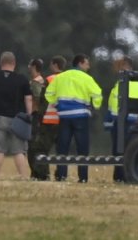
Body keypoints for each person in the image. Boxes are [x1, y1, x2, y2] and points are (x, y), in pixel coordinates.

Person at [46, 53, 102, 183]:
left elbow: (48, 93)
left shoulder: (61, 77)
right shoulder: (87, 78)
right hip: (81, 115)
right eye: (87, 63)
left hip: (64, 116)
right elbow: (97, 94)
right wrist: (95, 107)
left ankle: (61, 176)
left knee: (62, 147)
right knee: (82, 148)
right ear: (80, 63)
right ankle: (82, 178)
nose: (89, 66)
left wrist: (56, 103)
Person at [0, 51, 32, 179]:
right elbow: (28, 99)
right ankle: (23, 177)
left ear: (1, 63)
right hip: (18, 120)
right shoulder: (22, 79)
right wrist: (29, 115)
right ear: (14, 63)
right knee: (19, 151)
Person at [105, 56, 138, 182]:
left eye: (120, 66)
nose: (117, 69)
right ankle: (122, 177)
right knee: (124, 150)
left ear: (126, 67)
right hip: (124, 120)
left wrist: (109, 121)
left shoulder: (127, 82)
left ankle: (121, 177)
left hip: (124, 121)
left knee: (120, 151)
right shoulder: (130, 82)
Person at [38, 55, 65, 179]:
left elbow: (43, 101)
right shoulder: (67, 79)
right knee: (61, 151)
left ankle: (44, 175)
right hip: (63, 120)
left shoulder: (49, 79)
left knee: (43, 150)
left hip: (49, 120)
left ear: (54, 65)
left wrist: (39, 118)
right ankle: (61, 174)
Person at [27, 58, 51, 181]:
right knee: (39, 146)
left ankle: (37, 173)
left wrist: (32, 112)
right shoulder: (43, 81)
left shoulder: (36, 83)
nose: (28, 67)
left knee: (33, 147)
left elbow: (37, 98)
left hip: (36, 116)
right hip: (42, 117)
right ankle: (41, 173)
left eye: (30, 65)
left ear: (34, 67)